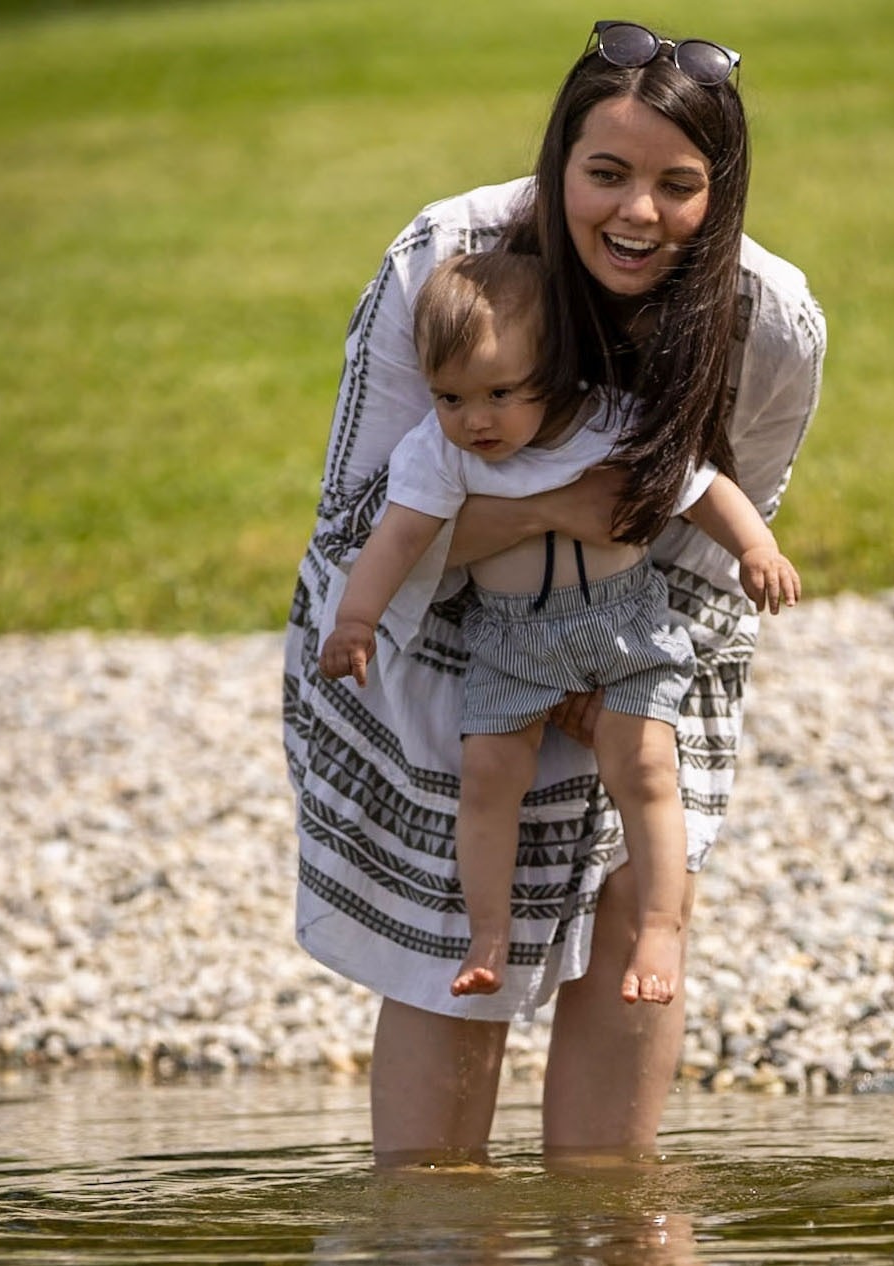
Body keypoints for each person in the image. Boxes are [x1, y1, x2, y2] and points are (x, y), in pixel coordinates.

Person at [283, 19, 826, 1166]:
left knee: (636, 884)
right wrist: (544, 522)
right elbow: (351, 528)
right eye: (608, 173)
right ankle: (439, 1222)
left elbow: (723, 535)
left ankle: (615, 1211)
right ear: (557, 162)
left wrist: (607, 678)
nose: (639, 213)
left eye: (679, 186)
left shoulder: (764, 318)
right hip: (431, 638)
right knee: (464, 930)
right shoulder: (449, 265)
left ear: (719, 194)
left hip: (644, 632)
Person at [317, 249, 800, 1008]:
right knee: (487, 780)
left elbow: (705, 488)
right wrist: (355, 619)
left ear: (558, 370)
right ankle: (488, 933)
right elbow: (398, 539)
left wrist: (756, 549)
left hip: (624, 627)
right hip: (511, 641)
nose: (474, 419)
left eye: (499, 393)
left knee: (643, 772)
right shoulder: (440, 453)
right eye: (448, 396)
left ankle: (661, 926)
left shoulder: (613, 423)